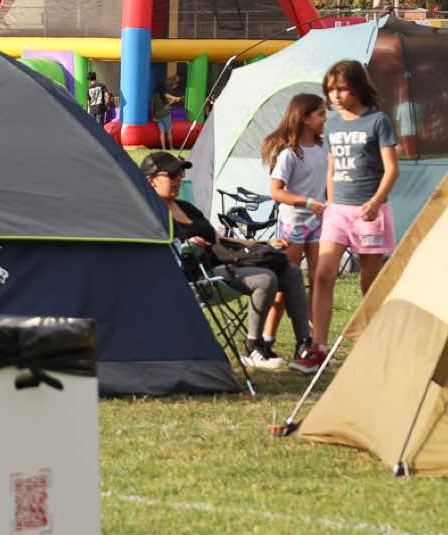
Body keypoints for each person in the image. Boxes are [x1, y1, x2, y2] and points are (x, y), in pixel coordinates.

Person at [140, 152, 317, 373]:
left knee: (290, 271)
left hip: (220, 263)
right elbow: (153, 254)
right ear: (151, 180)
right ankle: (253, 347)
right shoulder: (149, 214)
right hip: (194, 276)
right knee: (264, 279)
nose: (179, 178)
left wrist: (262, 244)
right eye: (173, 174)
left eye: (181, 173)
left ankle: (304, 346)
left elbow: (219, 239)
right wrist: (185, 246)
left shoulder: (186, 207)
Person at [311, 58, 400, 350]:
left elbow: (391, 169)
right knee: (323, 274)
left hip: (369, 212)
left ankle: (375, 341)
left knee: (369, 281)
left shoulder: (378, 121)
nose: (335, 96)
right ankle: (318, 345)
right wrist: (330, 203)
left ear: (358, 88)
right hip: (338, 212)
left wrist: (375, 202)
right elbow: (332, 166)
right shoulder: (332, 123)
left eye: (342, 89)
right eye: (330, 90)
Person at [259, 92, 328, 352]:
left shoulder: (322, 150)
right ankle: (266, 339)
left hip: (318, 224)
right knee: (287, 284)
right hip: (294, 225)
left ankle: (310, 340)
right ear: (305, 118)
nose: (324, 119)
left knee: (318, 281)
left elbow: (325, 186)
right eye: (320, 114)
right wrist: (307, 202)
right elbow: (276, 192)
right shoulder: (290, 154)